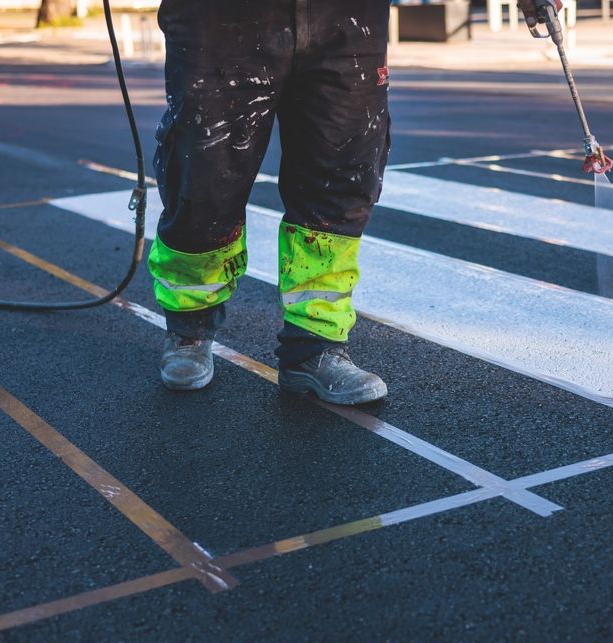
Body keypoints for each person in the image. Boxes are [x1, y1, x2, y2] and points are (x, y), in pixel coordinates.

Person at [150, 0, 558, 405]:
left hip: (348, 16)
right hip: (220, 18)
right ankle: (190, 328)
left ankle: (315, 345)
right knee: (204, 178)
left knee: (340, 178)